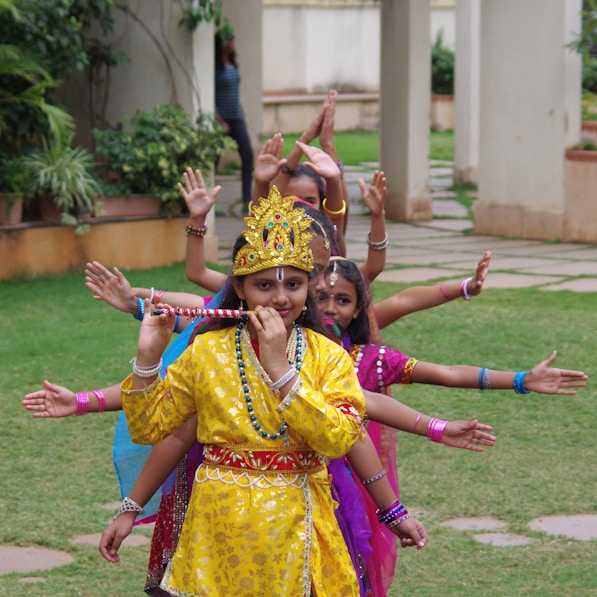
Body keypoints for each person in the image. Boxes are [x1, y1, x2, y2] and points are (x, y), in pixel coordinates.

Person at [112, 189, 422, 596]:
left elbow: (341, 437)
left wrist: (281, 372)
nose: (280, 298)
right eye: (263, 285)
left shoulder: (327, 356)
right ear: (239, 289)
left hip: (301, 528)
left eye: (293, 284)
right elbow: (150, 427)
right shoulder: (207, 350)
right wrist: (148, 360)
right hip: (218, 531)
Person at [214, 23, 253, 214]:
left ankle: (247, 202)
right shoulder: (215, 68)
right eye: (227, 40)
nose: (231, 43)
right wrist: (219, 122)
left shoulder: (233, 64)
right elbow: (209, 96)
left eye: (232, 40)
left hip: (237, 119)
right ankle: (212, 204)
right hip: (221, 122)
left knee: (248, 156)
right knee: (213, 162)